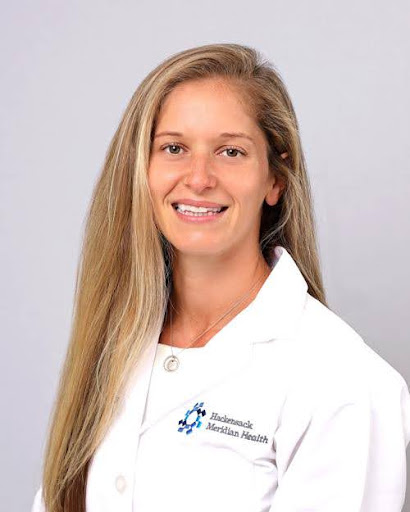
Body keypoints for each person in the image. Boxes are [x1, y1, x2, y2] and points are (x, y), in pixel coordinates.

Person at [31, 43, 410, 512]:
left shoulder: (343, 382)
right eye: (174, 148)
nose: (199, 178)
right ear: (141, 169)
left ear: (275, 179)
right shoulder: (113, 345)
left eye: (231, 151)